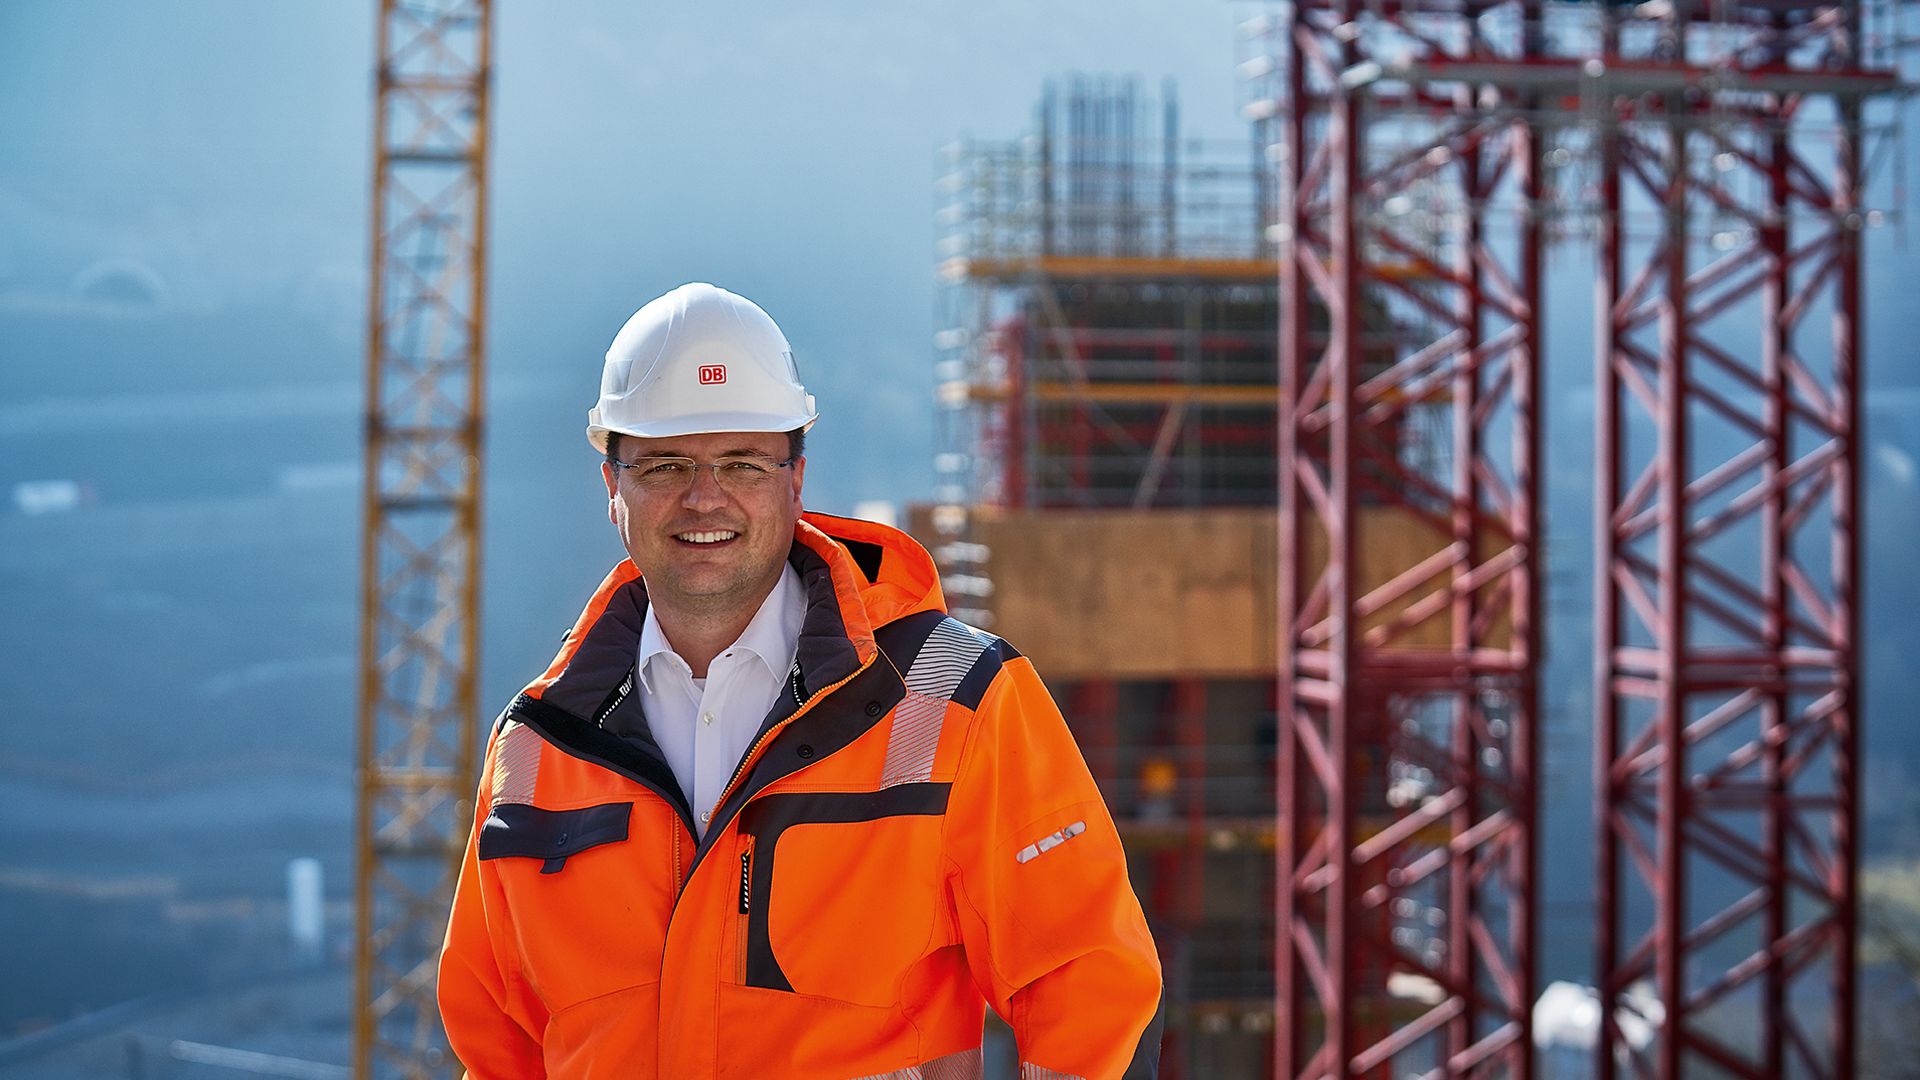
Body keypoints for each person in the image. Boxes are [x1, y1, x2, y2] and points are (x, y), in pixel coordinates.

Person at [437, 282, 1162, 1078]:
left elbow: (1089, 984)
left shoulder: (956, 700)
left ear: (796, 478)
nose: (704, 496)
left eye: (743, 463)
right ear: (613, 486)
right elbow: (495, 1048)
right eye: (665, 464)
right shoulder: (537, 753)